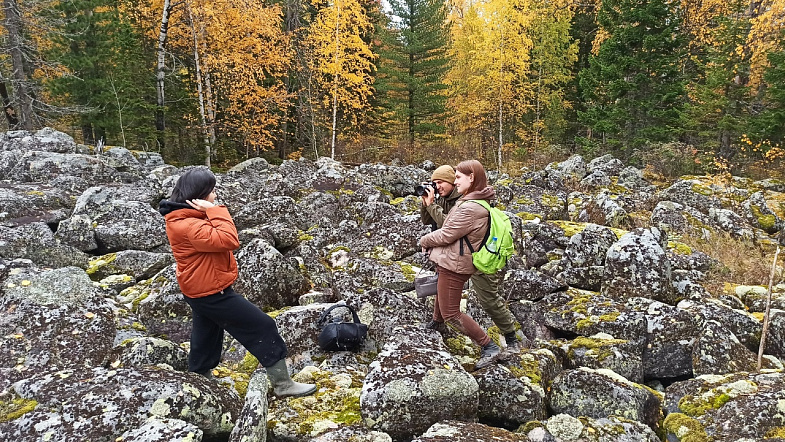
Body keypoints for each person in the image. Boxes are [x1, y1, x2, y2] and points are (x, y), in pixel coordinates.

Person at [158, 168, 316, 398]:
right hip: (209, 291)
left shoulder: (184, 216)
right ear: (200, 194)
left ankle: (200, 377)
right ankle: (283, 385)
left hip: (200, 288)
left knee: (207, 333)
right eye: (212, 191)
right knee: (262, 326)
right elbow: (229, 239)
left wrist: (208, 212)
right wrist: (215, 210)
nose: (215, 195)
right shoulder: (187, 225)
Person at [419, 164, 522, 352]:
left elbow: (447, 229)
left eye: (441, 182)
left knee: (488, 300)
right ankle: (437, 321)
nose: (437, 186)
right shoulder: (458, 198)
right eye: (434, 183)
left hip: (475, 257)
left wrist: (426, 235)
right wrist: (426, 202)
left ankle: (509, 338)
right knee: (442, 286)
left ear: (469, 178)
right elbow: (428, 220)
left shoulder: (468, 203)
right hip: (457, 255)